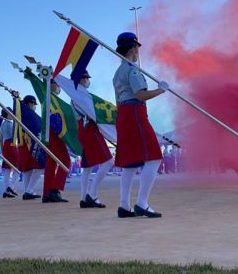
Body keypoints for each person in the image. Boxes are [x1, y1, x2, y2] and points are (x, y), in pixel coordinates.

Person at [112, 32, 168, 218]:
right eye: (136, 47)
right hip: (135, 113)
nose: (138, 51)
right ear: (131, 48)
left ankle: (124, 205)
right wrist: (161, 90)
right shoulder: (132, 69)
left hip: (123, 115)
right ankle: (142, 203)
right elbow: (140, 95)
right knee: (154, 157)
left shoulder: (118, 71)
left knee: (130, 162)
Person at [72, 71, 114, 209]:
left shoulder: (77, 94)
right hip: (89, 129)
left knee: (87, 167)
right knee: (108, 162)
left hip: (84, 130)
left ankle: (84, 198)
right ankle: (92, 194)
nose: (87, 80)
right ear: (79, 79)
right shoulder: (79, 95)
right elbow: (91, 113)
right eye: (85, 78)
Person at [42, 80, 72, 203]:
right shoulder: (50, 99)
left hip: (51, 134)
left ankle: (47, 193)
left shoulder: (48, 99)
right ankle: (54, 190)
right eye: (57, 84)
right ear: (51, 84)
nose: (58, 87)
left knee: (51, 163)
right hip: (55, 134)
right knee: (65, 161)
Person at [17, 95, 44, 200]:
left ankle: (28, 190)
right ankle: (29, 190)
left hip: (23, 143)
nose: (34, 106)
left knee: (27, 168)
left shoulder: (21, 113)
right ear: (29, 103)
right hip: (30, 143)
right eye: (33, 104)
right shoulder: (28, 114)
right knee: (39, 165)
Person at [0, 108, 19, 198]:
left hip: (6, 145)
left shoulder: (2, 124)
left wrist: (3, 150)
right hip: (12, 144)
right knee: (17, 168)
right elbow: (15, 135)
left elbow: (1, 139)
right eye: (11, 113)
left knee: (8, 169)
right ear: (7, 114)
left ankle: (7, 189)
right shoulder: (10, 124)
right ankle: (10, 187)